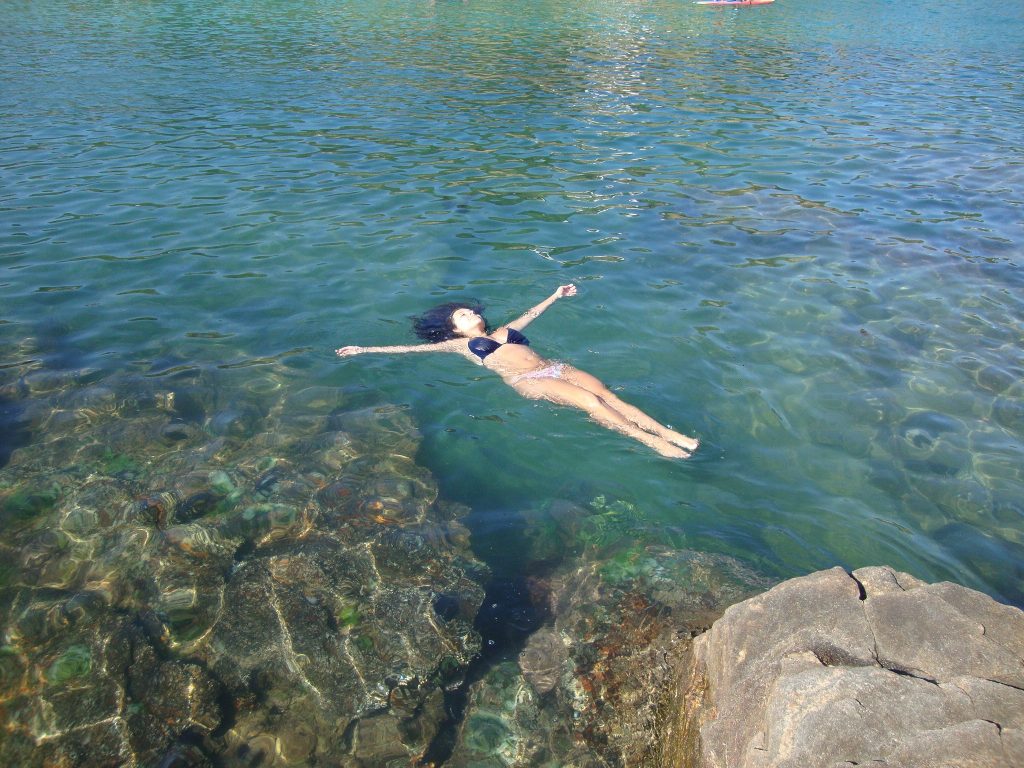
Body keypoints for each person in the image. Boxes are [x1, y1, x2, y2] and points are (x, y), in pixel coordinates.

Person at [335, 285, 699, 459]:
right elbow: (410, 350)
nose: (470, 314)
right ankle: (652, 443)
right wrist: (363, 348)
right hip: (529, 381)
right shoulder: (459, 345)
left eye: (469, 310)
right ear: (455, 330)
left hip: (554, 367)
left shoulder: (503, 331)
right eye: (461, 316)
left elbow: (532, 314)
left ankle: (669, 433)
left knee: (608, 396)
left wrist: (556, 295)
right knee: (591, 403)